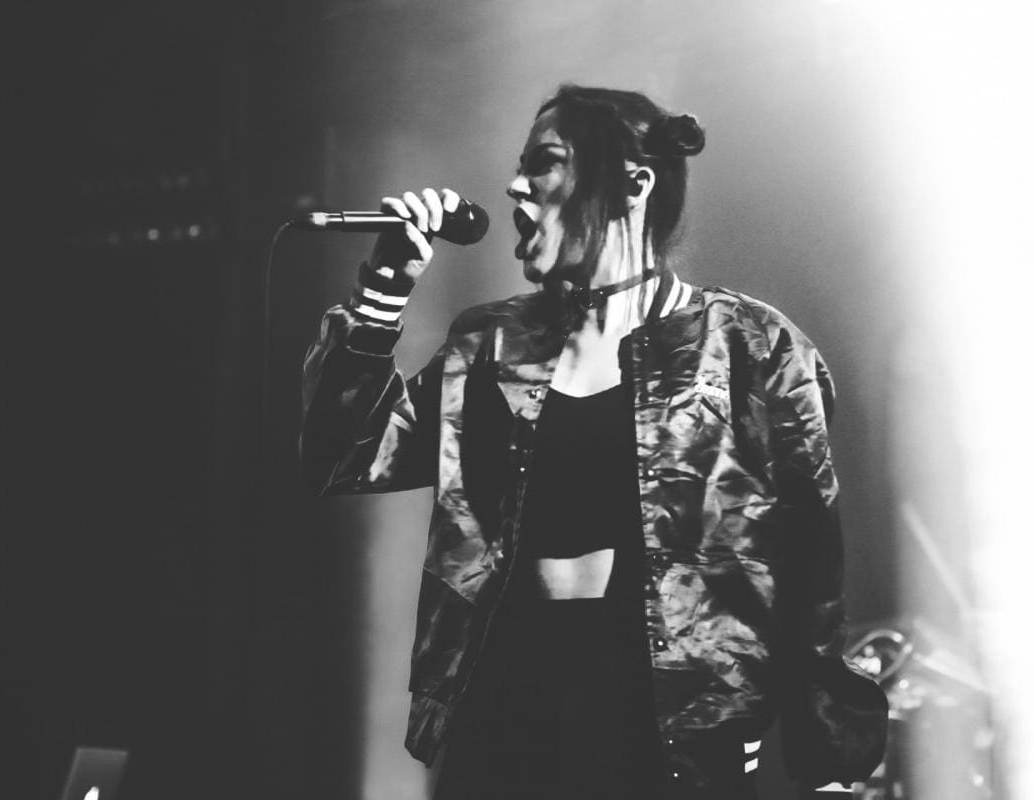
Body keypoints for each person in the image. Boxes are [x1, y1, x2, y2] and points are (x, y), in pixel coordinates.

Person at [300, 84, 887, 799]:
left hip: (671, 717)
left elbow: (812, 565)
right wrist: (383, 292)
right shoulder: (490, 344)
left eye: (543, 162)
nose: (515, 185)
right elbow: (347, 455)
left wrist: (828, 760)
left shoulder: (750, 346)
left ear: (633, 185)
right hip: (506, 701)